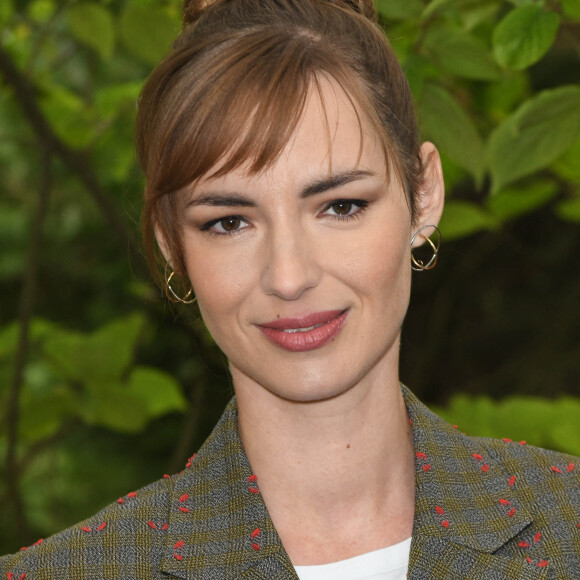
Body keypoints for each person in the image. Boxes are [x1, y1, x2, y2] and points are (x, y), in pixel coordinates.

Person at [1, 0, 579, 578]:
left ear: (422, 199)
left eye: (340, 206)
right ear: (173, 243)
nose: (289, 276)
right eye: (229, 222)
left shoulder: (567, 525)